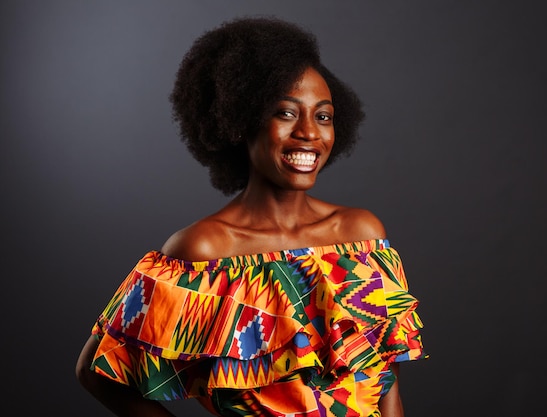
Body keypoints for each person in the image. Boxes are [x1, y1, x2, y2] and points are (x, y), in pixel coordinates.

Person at [76, 16, 427, 417]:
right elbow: (97, 371)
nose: (310, 133)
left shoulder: (362, 236)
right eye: (287, 113)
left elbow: (388, 389)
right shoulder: (204, 250)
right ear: (241, 122)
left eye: (324, 116)